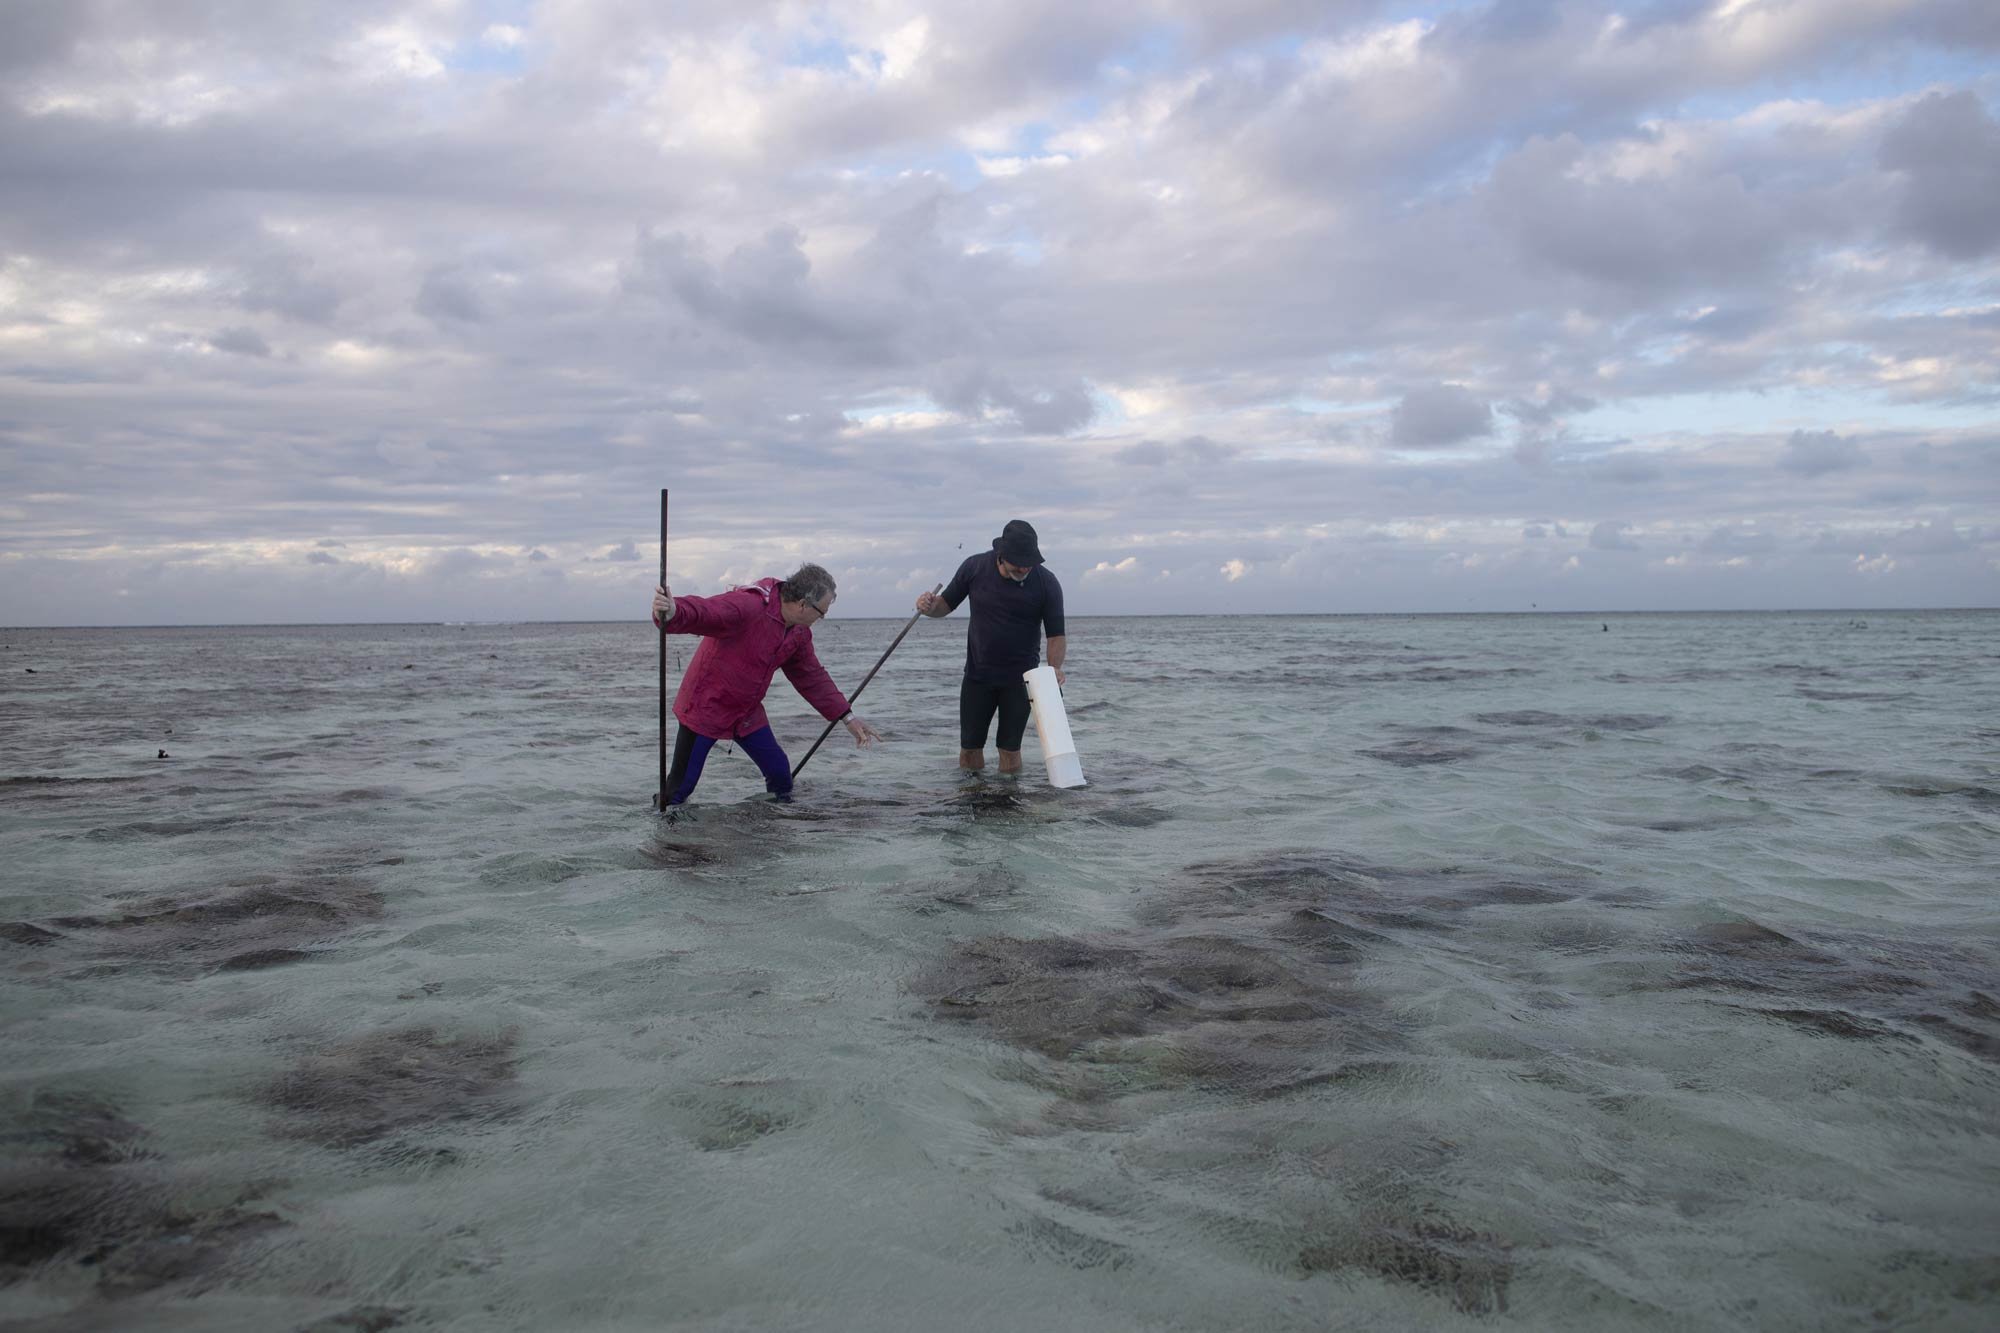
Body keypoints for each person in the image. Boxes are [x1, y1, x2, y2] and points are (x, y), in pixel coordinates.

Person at [651, 563, 880, 804]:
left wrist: (847, 717)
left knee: (780, 774)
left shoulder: (799, 633)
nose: (821, 618)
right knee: (679, 789)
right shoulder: (748, 606)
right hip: (705, 706)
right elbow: (708, 611)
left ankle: (771, 830)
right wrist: (672, 611)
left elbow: (812, 677)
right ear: (803, 604)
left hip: (746, 712)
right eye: (821, 613)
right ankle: (664, 838)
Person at [915, 519, 1066, 775]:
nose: (1023, 568)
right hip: (977, 676)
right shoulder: (974, 567)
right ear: (1001, 555)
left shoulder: (1047, 583)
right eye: (1017, 562)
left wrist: (1054, 669)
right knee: (970, 748)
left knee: (1009, 750)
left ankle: (1007, 802)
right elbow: (944, 606)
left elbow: (1056, 635)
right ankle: (972, 798)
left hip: (1020, 681)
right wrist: (928, 607)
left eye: (1029, 562)